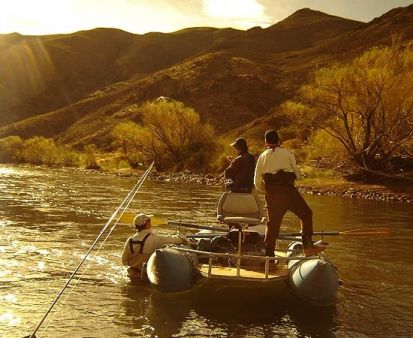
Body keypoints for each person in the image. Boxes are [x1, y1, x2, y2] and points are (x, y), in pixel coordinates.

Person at [254, 130, 325, 257]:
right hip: (288, 192)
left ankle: (268, 255)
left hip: (272, 194)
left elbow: (257, 181)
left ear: (266, 142)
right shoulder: (287, 153)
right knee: (306, 214)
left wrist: (268, 191)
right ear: (278, 141)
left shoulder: (262, 156)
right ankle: (308, 247)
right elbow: (297, 173)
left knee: (273, 224)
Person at [121, 213, 187, 279]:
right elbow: (172, 239)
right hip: (148, 276)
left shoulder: (129, 240)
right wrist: (183, 239)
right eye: (150, 222)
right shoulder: (154, 238)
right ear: (147, 225)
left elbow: (124, 261)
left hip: (132, 275)